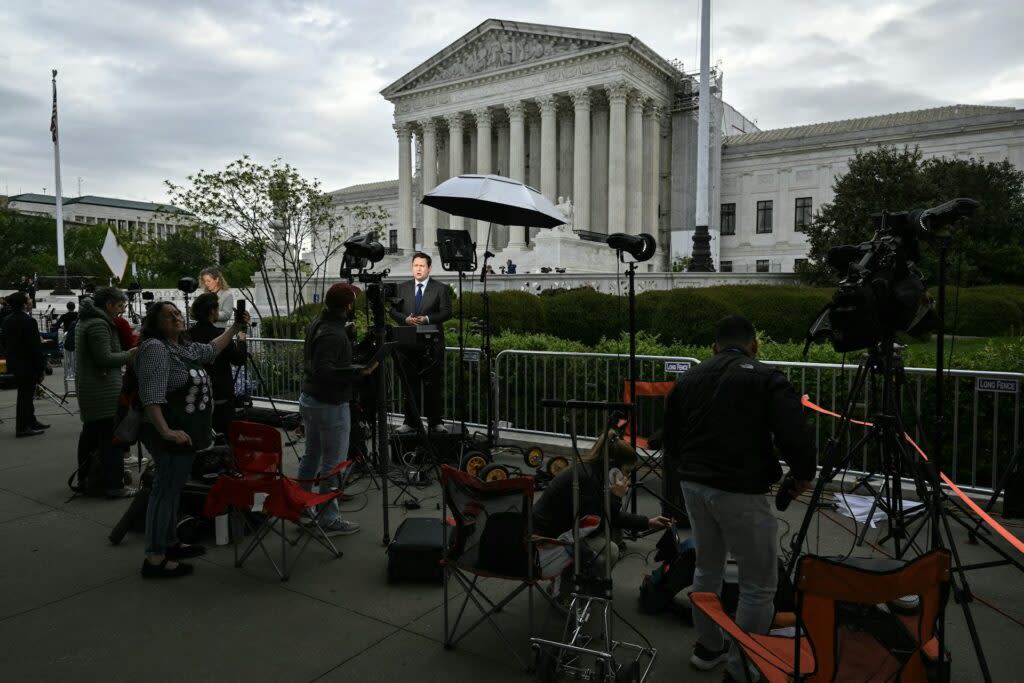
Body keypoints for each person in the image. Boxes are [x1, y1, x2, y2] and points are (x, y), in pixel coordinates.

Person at [662, 315, 816, 680]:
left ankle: (709, 647)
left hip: (694, 485)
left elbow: (670, 439)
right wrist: (803, 474)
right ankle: (742, 668)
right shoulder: (765, 376)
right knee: (759, 584)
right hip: (742, 490)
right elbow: (795, 432)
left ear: (714, 348)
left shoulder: (687, 379)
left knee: (707, 569)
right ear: (754, 345)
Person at [134, 300, 249, 578]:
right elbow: (151, 395)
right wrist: (166, 432)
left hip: (185, 434)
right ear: (156, 323)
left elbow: (210, 350)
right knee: (164, 492)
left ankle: (170, 543)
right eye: (168, 315)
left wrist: (235, 328)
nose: (176, 317)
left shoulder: (180, 347)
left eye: (177, 313)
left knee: (173, 491)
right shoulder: (155, 349)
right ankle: (155, 557)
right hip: (170, 435)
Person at [533, 430, 670, 577]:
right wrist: (616, 496)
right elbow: (594, 527)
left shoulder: (594, 471)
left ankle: (578, 579)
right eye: (626, 471)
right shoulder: (588, 479)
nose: (627, 477)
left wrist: (648, 522)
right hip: (548, 538)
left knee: (616, 533)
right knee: (611, 550)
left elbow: (609, 516)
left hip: (562, 528)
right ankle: (567, 592)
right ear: (613, 467)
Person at [297, 282, 375, 536]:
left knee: (311, 456)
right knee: (333, 463)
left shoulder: (320, 324)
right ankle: (329, 518)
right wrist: (359, 372)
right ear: (348, 306)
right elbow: (325, 370)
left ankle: (301, 507)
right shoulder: (332, 333)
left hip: (312, 399)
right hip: (329, 403)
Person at [74, 287, 137, 497]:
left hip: (93, 388)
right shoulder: (99, 324)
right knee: (111, 439)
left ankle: (88, 478)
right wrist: (130, 354)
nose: (121, 311)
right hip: (102, 390)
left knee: (91, 435)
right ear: (108, 304)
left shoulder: (88, 321)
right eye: (119, 306)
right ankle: (113, 484)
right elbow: (104, 358)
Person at [388, 252, 451, 433]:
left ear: (429, 268)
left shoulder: (440, 288)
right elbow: (393, 312)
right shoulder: (402, 288)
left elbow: (446, 312)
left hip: (432, 345)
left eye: (422, 266)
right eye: (415, 265)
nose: (418, 269)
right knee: (410, 384)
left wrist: (427, 319)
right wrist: (405, 319)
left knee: (433, 384)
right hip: (408, 344)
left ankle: (435, 422)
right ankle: (411, 422)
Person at [189, 292, 246, 436]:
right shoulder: (220, 336)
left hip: (196, 394)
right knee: (224, 438)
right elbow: (239, 359)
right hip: (221, 396)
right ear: (212, 311)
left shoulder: (187, 335)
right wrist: (242, 340)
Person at [1, 292, 47, 437]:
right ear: (23, 303)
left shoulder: (7, 320)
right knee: (25, 396)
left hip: (15, 361)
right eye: (28, 299)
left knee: (26, 393)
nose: (30, 300)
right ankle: (22, 427)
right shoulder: (29, 321)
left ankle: (31, 421)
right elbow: (35, 347)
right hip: (28, 363)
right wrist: (42, 366)